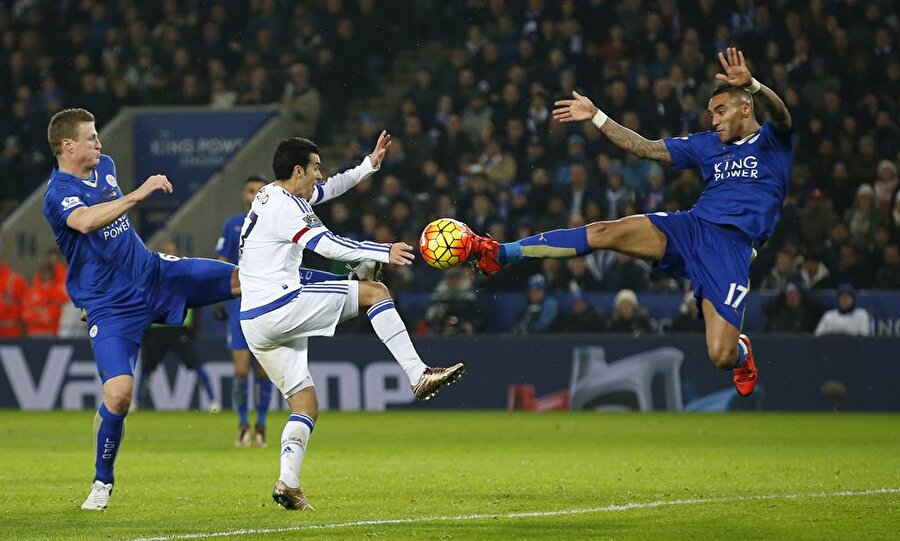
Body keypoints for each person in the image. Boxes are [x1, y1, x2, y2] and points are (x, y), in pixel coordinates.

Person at [470, 47, 795, 397]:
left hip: (732, 249)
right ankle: (500, 253)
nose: (714, 120)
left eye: (721, 110)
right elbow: (645, 148)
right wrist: (596, 116)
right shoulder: (707, 145)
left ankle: (742, 352)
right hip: (691, 229)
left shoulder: (772, 142)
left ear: (746, 108)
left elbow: (781, 114)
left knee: (721, 355)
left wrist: (756, 85)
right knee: (605, 231)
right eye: (710, 113)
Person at [239, 136, 464, 511]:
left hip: (255, 321)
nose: (319, 174)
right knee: (375, 292)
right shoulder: (287, 208)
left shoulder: (273, 194)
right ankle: (417, 373)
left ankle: (288, 483)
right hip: (280, 304)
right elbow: (328, 246)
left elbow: (329, 189)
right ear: (298, 171)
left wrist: (367, 166)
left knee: (305, 404)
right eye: (315, 167)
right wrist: (383, 250)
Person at [42, 108, 240, 511]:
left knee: (243, 278)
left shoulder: (107, 166)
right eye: (91, 137)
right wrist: (138, 193)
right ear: (68, 145)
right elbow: (84, 222)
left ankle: (341, 285)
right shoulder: (57, 192)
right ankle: (102, 482)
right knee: (119, 395)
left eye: (98, 137)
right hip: (110, 306)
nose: (99, 144)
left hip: (152, 275)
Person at [216, 175, 274, 447]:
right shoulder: (232, 225)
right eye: (250, 190)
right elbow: (221, 262)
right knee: (240, 370)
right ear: (244, 194)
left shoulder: (275, 222)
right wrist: (216, 296)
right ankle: (242, 424)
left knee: (264, 371)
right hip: (238, 304)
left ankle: (260, 425)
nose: (254, 195)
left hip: (267, 303)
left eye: (259, 191)